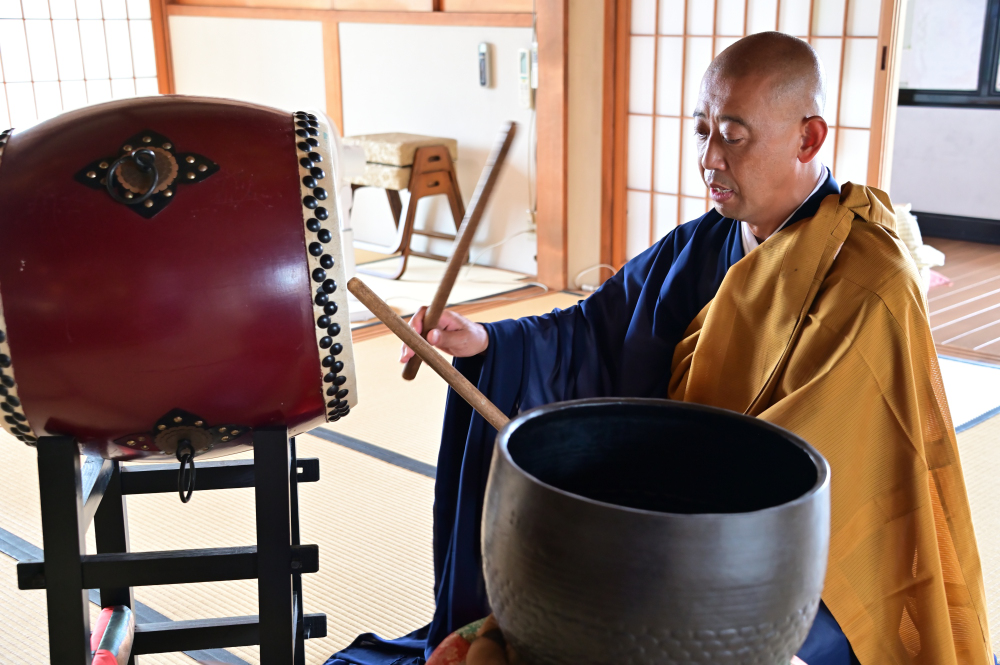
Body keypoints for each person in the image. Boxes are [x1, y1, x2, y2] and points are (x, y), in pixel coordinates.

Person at [328, 32, 991, 665]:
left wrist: (652, 525)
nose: (709, 159)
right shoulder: (703, 244)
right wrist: (482, 342)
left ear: (808, 137)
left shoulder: (868, 278)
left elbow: (808, 463)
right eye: (702, 131)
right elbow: (594, 331)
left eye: (733, 136)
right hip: (665, 526)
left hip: (804, 561)